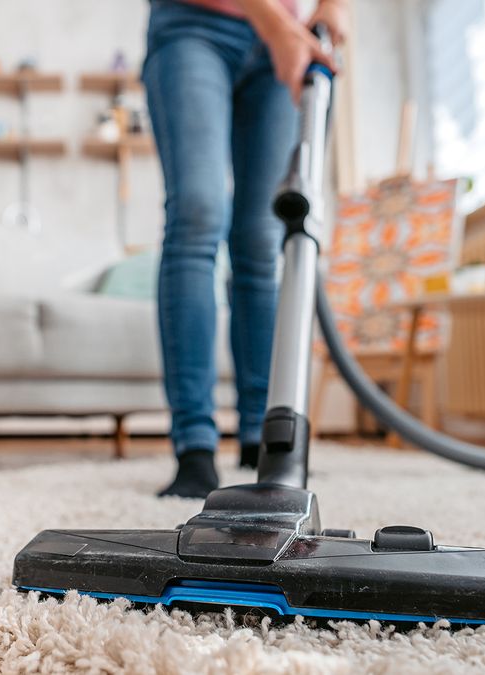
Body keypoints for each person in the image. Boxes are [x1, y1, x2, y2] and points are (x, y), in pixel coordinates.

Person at [143, 0, 348, 498]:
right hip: (194, 24)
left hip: (289, 36)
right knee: (197, 215)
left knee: (262, 236)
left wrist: (333, 7)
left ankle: (262, 438)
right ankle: (194, 447)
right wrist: (275, 21)